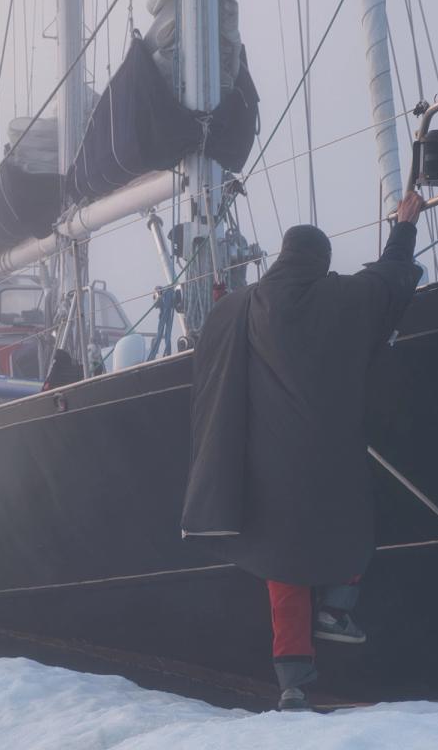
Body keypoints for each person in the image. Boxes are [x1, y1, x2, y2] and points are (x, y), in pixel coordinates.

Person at [181, 190, 424, 711]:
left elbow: (212, 343)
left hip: (265, 471)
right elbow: (387, 281)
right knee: (355, 526)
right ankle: (336, 609)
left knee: (284, 570)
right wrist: (404, 226)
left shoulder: (241, 306)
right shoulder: (337, 297)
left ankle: (292, 683)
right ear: (319, 260)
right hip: (330, 460)